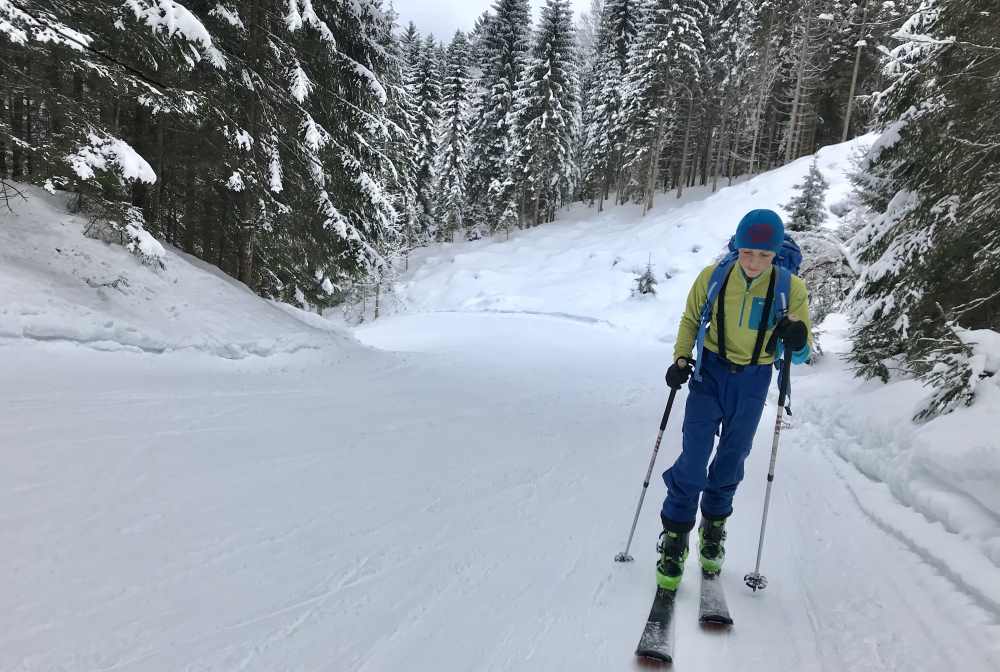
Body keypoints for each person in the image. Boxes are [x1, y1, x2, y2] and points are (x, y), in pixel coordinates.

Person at [656, 209, 812, 591]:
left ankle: (714, 526)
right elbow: (691, 319)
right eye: (747, 252)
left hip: (755, 379)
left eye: (764, 254)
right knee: (693, 460)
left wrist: (796, 337)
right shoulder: (714, 277)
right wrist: (680, 358)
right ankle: (675, 536)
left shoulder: (791, 289)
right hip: (710, 374)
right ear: (736, 247)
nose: (754, 261)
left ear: (776, 253)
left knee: (731, 459)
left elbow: (803, 352)